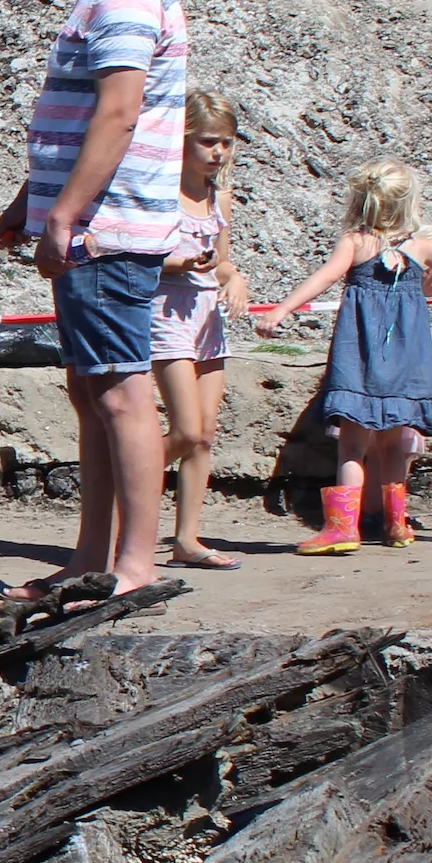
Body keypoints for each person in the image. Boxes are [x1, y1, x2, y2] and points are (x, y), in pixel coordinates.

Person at [0, 0, 187, 602]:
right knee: (91, 388)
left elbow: (119, 112)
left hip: (108, 227)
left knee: (120, 392)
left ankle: (133, 566)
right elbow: (81, 119)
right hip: (95, 219)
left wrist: (65, 214)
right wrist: (31, 199)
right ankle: (93, 557)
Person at [259, 160, 432, 553]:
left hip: (361, 359)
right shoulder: (421, 247)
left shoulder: (356, 243)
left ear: (360, 201)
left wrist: (281, 310)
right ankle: (396, 525)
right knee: (394, 446)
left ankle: (343, 528)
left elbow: (322, 278)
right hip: (406, 363)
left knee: (352, 446)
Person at [150, 91, 249, 570]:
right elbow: (133, 257)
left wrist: (236, 279)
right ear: (182, 139)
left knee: (205, 434)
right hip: (167, 314)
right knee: (185, 430)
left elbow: (223, 264)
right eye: (208, 141)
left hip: (207, 317)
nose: (219, 153)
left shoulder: (219, 197)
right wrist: (179, 262)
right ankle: (125, 488)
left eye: (226, 143)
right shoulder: (157, 192)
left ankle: (186, 539)